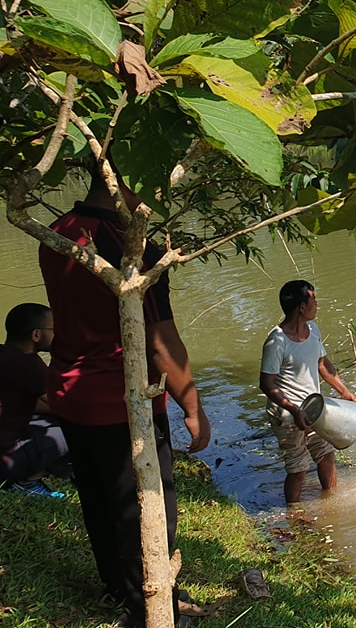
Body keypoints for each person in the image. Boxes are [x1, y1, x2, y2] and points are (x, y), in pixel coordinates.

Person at [39, 170, 210, 628]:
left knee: (99, 499)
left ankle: (120, 586)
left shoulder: (58, 231)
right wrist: (193, 408)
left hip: (69, 391)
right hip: (121, 402)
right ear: (127, 177)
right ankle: (149, 608)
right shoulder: (131, 250)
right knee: (150, 510)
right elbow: (160, 342)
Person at [259, 280, 356, 506]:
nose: (317, 304)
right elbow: (266, 384)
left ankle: (331, 503)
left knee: (326, 456)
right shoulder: (276, 341)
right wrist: (293, 409)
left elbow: (323, 365)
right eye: (314, 300)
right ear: (302, 307)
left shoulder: (313, 330)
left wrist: (345, 391)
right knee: (298, 468)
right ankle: (293, 513)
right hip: (287, 414)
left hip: (313, 409)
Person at [0, 302, 71, 497]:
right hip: (5, 460)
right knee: (76, 430)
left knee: (52, 421)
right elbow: (69, 406)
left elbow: (33, 403)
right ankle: (25, 482)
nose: (58, 334)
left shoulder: (5, 355)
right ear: (36, 335)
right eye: (54, 329)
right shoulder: (28, 364)